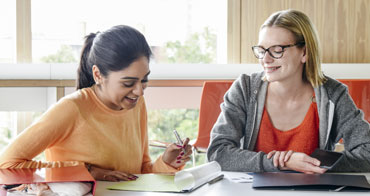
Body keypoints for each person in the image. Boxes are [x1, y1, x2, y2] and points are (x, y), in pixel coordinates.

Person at [0, 25, 192, 181]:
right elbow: (6, 164)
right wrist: (87, 171)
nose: (139, 91)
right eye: (128, 83)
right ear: (98, 75)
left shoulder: (135, 104)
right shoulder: (71, 109)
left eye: (144, 80)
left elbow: (138, 174)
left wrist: (167, 163)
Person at [207, 9, 370, 174]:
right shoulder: (245, 89)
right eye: (262, 50)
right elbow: (217, 152)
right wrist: (280, 163)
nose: (265, 59)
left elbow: (367, 151)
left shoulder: (333, 94)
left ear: (304, 53)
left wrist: (315, 164)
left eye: (277, 50)